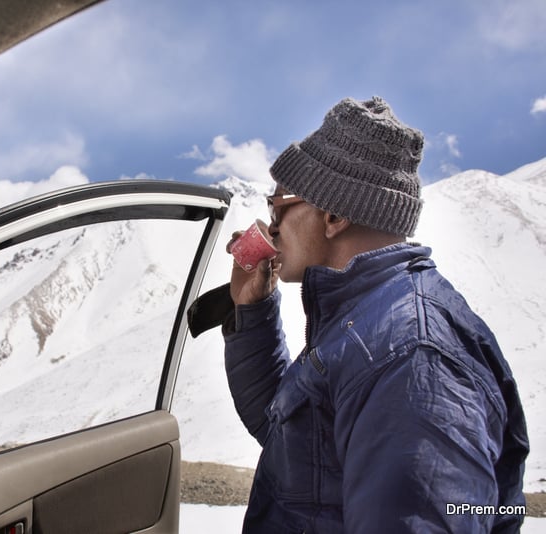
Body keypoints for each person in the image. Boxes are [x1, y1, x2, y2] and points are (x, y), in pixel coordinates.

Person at [222, 96, 529, 533]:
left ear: (333, 215)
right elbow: (292, 443)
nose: (270, 226)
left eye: (279, 207)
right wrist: (253, 312)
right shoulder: (363, 322)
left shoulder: (411, 354)